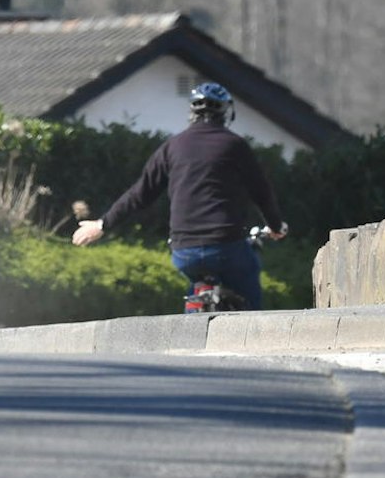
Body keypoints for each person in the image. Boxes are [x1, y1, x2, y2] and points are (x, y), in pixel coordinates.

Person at [71, 82, 287, 310]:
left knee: (197, 282)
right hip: (227, 247)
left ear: (191, 112)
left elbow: (140, 194)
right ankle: (252, 338)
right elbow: (261, 192)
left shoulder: (172, 147)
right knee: (249, 278)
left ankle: (190, 323)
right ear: (226, 112)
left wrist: (102, 224)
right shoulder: (235, 146)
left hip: (184, 251)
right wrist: (275, 225)